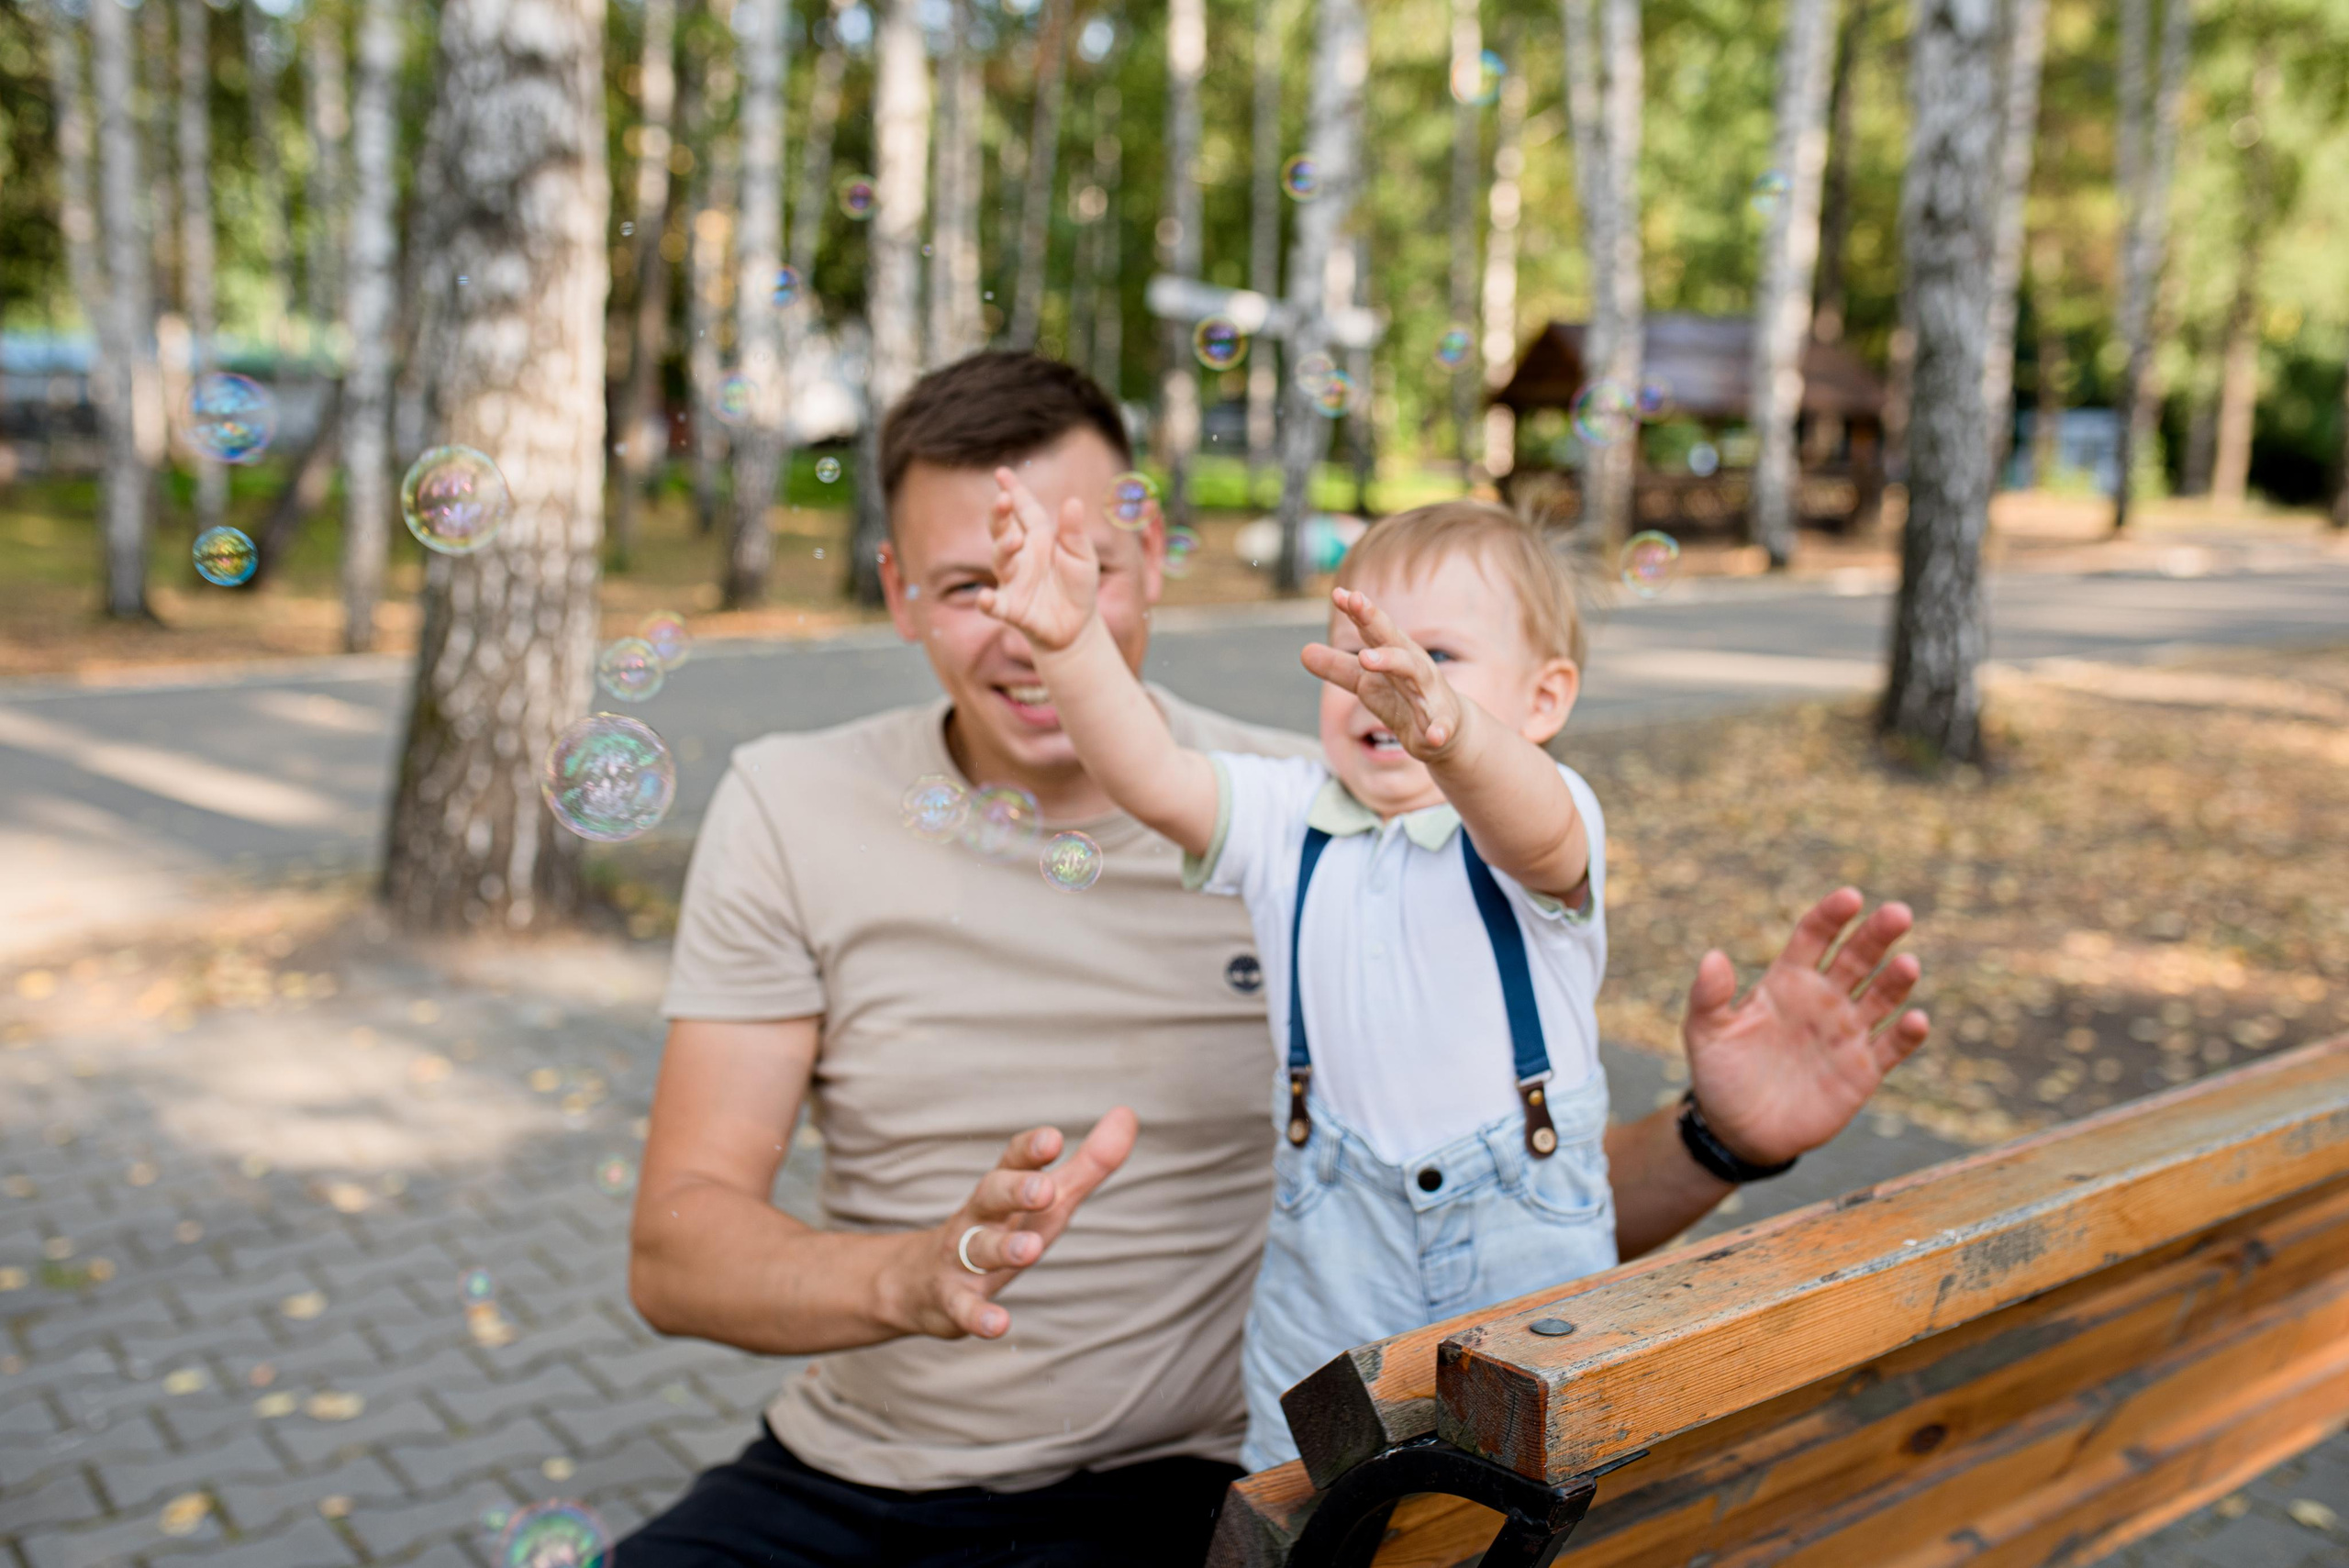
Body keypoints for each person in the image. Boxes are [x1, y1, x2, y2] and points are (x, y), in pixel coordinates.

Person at [615, 351, 1931, 1567]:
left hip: (1181, 1488)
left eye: (1079, 571)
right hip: (853, 1472)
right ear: (897, 593)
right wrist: (911, 1273)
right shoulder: (796, 802)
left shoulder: (1357, 819)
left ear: (1148, 556)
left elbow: (1475, 1203)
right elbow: (678, 1254)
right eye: (975, 584)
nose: (1030, 624)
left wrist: (1720, 1139)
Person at [981, 489, 1644, 1469]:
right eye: (1356, 649)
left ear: (1541, 700)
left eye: (1436, 655)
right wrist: (1071, 641)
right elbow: (1147, 770)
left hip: (1525, 1244)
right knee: (1305, 1480)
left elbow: (1533, 823)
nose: (1384, 678)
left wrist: (1455, 736)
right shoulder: (1288, 813)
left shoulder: (1536, 816)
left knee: (1535, 1488)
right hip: (1328, 1244)